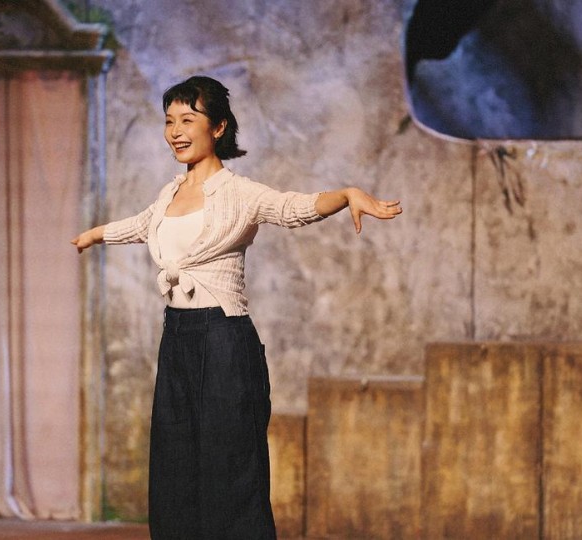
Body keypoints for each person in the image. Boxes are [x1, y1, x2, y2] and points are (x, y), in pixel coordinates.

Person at [71, 75, 401, 539]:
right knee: (174, 465)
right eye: (169, 121)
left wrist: (346, 195)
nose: (176, 131)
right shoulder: (168, 194)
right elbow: (141, 225)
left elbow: (292, 208)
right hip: (177, 338)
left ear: (219, 127)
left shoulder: (239, 193)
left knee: (231, 467)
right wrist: (95, 234)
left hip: (223, 339)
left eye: (188, 119)